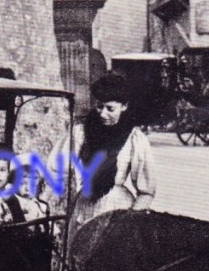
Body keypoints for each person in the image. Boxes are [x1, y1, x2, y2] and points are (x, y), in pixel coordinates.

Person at [61, 72, 156, 228]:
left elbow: (147, 191)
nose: (103, 113)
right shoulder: (81, 132)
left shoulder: (134, 139)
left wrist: (130, 220)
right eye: (99, 106)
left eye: (110, 108)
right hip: (84, 204)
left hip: (116, 208)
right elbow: (60, 168)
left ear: (124, 106)